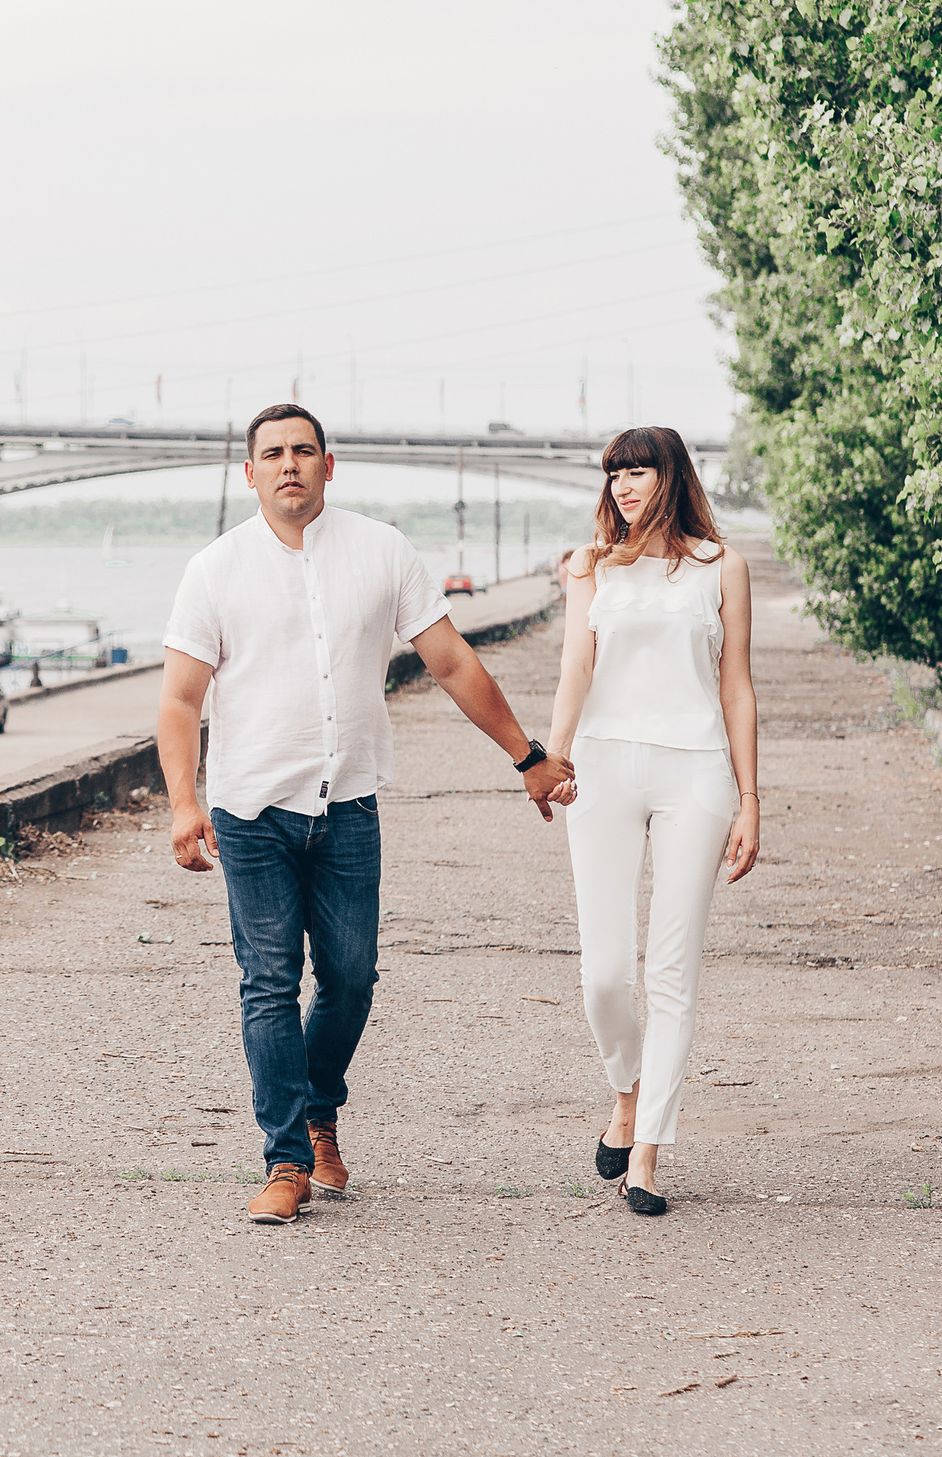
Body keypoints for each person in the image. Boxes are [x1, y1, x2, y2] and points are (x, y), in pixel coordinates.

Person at [158, 402, 576, 1226]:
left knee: (350, 979)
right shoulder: (215, 568)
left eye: (303, 451)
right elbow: (178, 698)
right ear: (249, 473)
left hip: (347, 802)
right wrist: (182, 801)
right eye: (272, 453)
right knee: (268, 982)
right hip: (251, 810)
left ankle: (320, 1107)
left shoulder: (382, 550)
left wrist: (527, 756)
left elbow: (451, 660)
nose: (289, 465)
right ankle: (286, 1158)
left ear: (329, 464)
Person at [541, 426, 758, 1217]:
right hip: (599, 765)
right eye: (614, 473)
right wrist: (552, 757)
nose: (625, 485)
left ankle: (647, 1152)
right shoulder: (589, 565)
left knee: (671, 971)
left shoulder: (721, 565)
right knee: (604, 975)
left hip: (695, 771)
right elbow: (576, 667)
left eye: (639, 470)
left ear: (672, 474)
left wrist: (751, 797)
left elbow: (736, 686)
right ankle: (625, 1089)